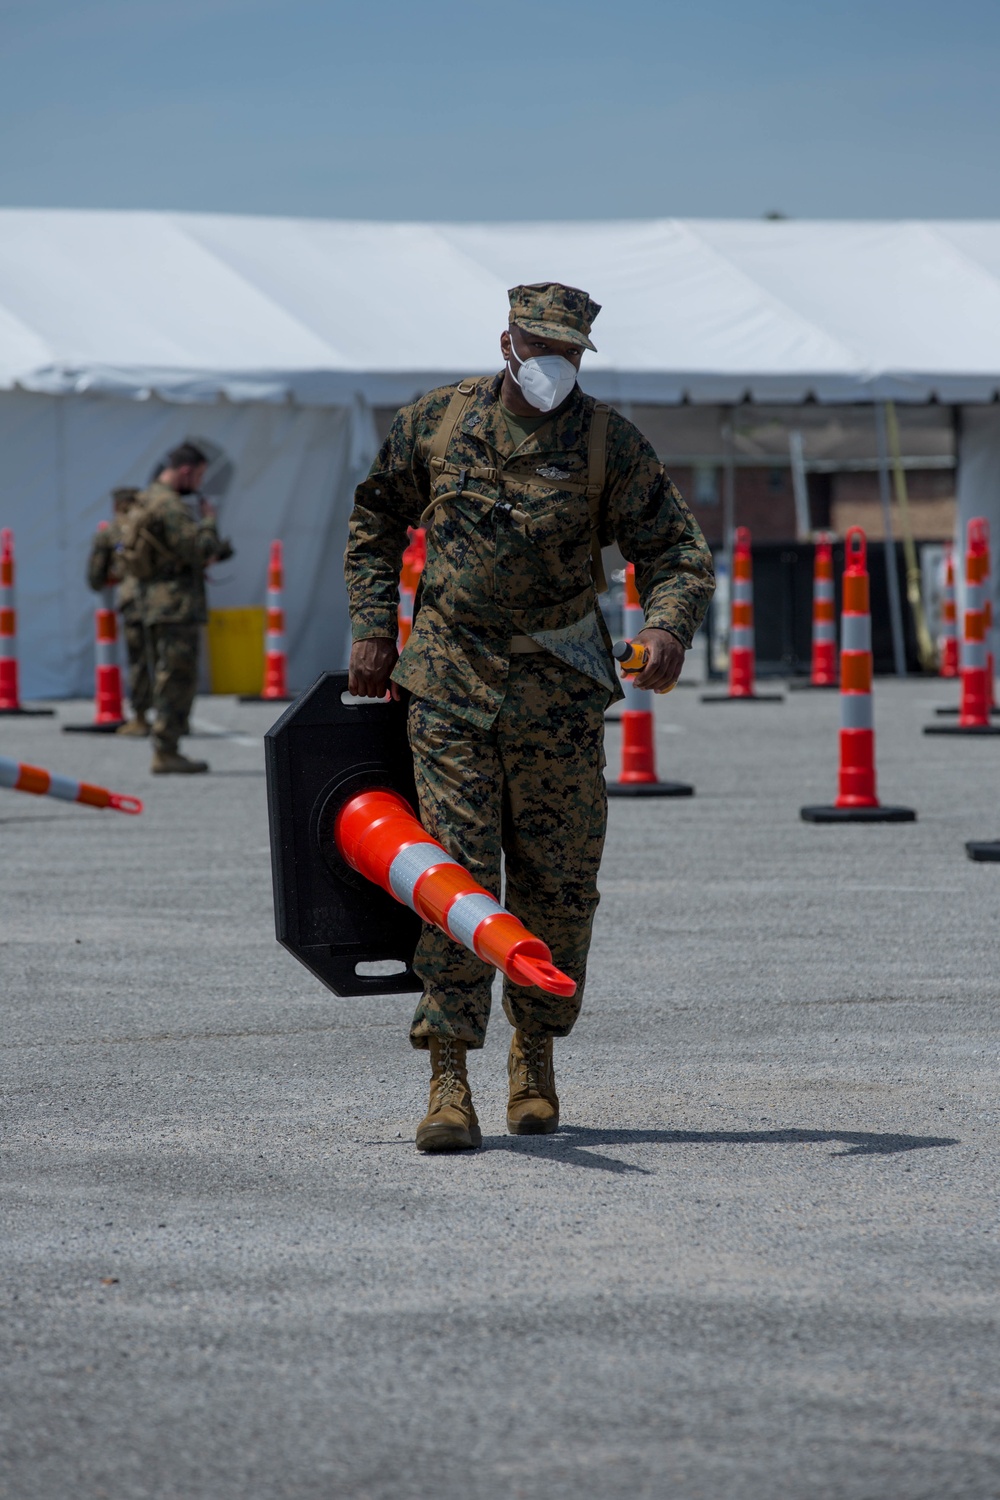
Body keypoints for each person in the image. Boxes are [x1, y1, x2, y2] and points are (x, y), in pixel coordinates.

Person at [344, 282, 714, 1153]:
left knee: (559, 882)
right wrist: (372, 626)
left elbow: (677, 549)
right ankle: (448, 1077)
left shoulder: (605, 441)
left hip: (558, 688)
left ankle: (536, 1056)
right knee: (454, 880)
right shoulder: (435, 422)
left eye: (570, 353)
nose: (554, 366)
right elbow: (373, 521)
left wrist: (666, 627)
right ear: (507, 340)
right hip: (448, 681)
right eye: (540, 346)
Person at [129, 443, 233, 775]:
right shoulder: (171, 506)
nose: (200, 482)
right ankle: (166, 749)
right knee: (177, 678)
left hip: (155, 602)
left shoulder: (147, 498)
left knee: (164, 673)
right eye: (200, 474)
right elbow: (197, 548)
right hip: (176, 605)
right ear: (186, 471)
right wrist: (209, 523)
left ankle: (167, 744)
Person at [86, 487, 153, 734]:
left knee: (139, 662)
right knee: (167, 661)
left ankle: (141, 718)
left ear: (116, 506)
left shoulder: (111, 531)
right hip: (165, 602)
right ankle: (176, 721)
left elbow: (94, 578)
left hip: (133, 601)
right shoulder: (151, 525)